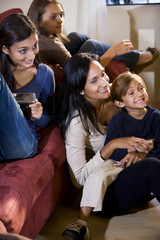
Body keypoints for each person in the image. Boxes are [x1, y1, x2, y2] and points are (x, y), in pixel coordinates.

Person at [58, 53, 160, 240]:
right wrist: (111, 146)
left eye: (103, 74)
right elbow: (78, 179)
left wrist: (143, 153)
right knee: (153, 167)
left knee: (152, 162)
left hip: (135, 177)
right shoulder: (76, 123)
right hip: (104, 193)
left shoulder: (116, 95)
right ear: (81, 89)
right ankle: (81, 223)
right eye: (94, 80)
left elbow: (147, 119)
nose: (105, 82)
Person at [27, 0, 158, 73]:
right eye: (53, 17)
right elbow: (79, 73)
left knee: (75, 36)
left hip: (56, 60)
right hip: (72, 73)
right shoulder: (50, 43)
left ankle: (134, 58)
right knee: (91, 46)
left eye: (61, 15)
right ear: (38, 21)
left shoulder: (41, 37)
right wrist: (113, 52)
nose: (60, 20)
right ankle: (138, 58)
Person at [0, 9, 55, 161]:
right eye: (23, 50)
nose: (31, 55)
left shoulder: (44, 74)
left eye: (35, 46)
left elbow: (51, 117)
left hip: (22, 144)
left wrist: (38, 116)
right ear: (5, 49)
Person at [104, 71, 160, 165]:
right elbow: (110, 151)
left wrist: (144, 156)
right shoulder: (117, 121)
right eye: (131, 93)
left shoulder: (156, 116)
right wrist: (129, 151)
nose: (139, 94)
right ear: (120, 103)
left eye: (141, 88)